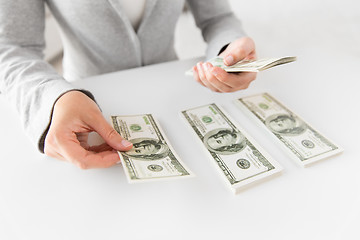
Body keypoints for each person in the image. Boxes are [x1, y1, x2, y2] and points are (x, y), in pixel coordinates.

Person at [0, 0, 257, 169]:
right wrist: (53, 98)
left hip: (175, 95)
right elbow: (11, 48)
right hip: (87, 113)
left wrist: (228, 51)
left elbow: (218, 18)